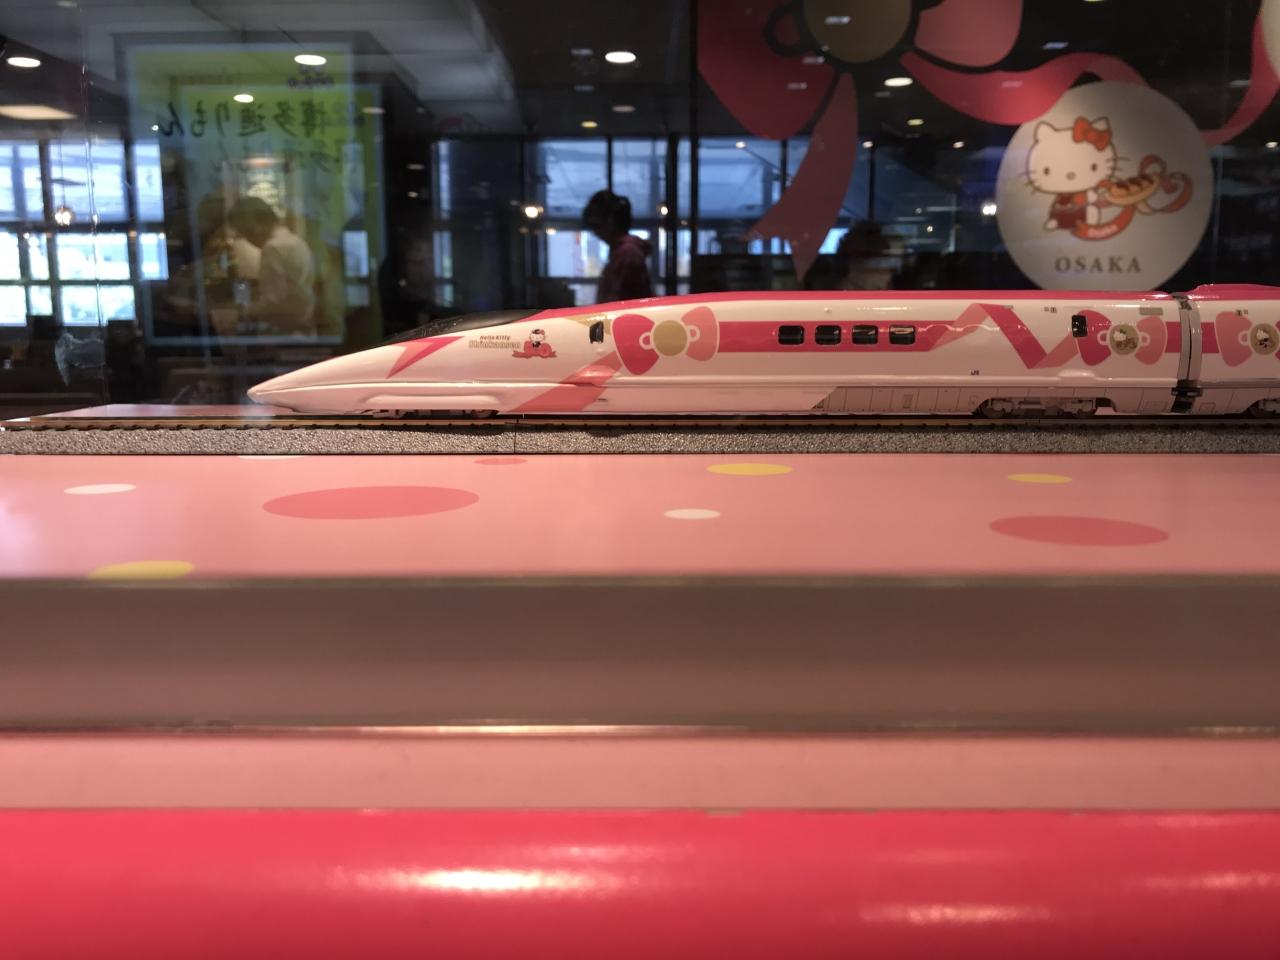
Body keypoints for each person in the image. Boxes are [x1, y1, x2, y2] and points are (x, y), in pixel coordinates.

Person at [228, 197, 316, 334]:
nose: (248, 239)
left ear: (258, 225)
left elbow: (273, 302)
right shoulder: (296, 241)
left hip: (284, 330)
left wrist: (244, 311)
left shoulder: (272, 248)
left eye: (246, 232)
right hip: (303, 325)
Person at [582, 189, 653, 303]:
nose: (596, 233)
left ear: (610, 221)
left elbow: (617, 299)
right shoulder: (625, 251)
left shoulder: (627, 253)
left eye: (596, 225)